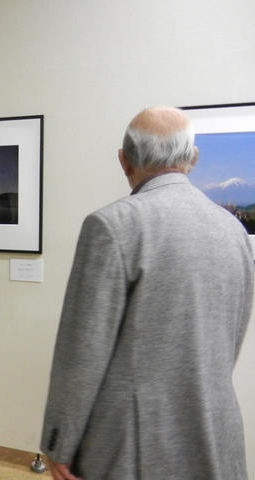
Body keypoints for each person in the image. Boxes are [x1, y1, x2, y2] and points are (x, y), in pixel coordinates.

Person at [40, 106, 254, 479]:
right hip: (216, 431)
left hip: (134, 443)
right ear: (193, 159)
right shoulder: (232, 229)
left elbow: (82, 350)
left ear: (124, 161)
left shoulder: (111, 226)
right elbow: (231, 339)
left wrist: (61, 440)